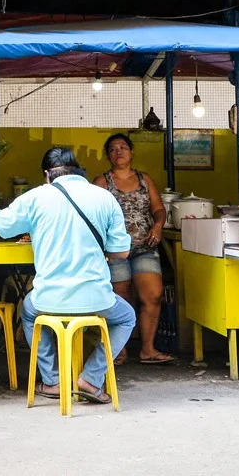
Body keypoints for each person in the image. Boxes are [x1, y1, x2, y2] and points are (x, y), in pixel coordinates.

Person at [0, 147, 135, 405]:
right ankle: (91, 376)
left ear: (47, 174)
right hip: (96, 298)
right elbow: (121, 252)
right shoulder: (104, 197)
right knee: (126, 318)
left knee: (29, 313)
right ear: (78, 170)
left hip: (49, 298)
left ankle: (52, 381)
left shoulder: (35, 197)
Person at [93, 133, 174, 365]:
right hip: (115, 250)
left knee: (153, 295)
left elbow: (158, 209)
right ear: (108, 155)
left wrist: (158, 227)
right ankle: (119, 350)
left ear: (131, 152)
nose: (118, 152)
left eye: (123, 147)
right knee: (121, 298)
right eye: (113, 149)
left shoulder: (144, 179)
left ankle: (148, 349)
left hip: (145, 246)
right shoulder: (101, 182)